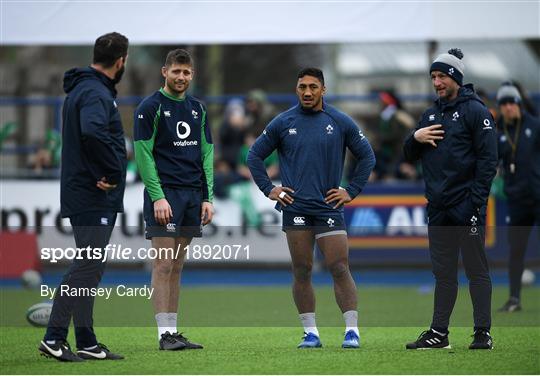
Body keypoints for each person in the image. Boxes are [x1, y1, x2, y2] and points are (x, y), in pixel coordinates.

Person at [247, 68, 375, 349]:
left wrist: (351, 191)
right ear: (297, 89)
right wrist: (270, 189)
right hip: (296, 209)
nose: (307, 92)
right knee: (302, 270)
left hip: (329, 208)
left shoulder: (339, 120)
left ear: (323, 90)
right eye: (302, 87)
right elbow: (254, 155)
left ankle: (351, 331)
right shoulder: (283, 122)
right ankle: (311, 333)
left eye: (313, 87)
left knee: (339, 267)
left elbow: (367, 156)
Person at [39, 32, 129, 362]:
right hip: (92, 194)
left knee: (91, 266)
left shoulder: (86, 88)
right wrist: (112, 173)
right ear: (121, 61)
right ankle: (54, 336)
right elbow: (92, 132)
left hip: (86, 192)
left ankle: (87, 341)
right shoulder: (94, 92)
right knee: (87, 265)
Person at [403, 48, 498, 350]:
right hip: (439, 208)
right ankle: (439, 333)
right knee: (443, 274)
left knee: (476, 270)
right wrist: (413, 138)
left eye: (442, 76)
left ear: (456, 77)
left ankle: (482, 332)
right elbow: (409, 154)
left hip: (465, 207)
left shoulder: (476, 111)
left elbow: (488, 161)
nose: (437, 82)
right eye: (433, 76)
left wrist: (475, 203)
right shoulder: (430, 114)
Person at [134, 49, 213, 351]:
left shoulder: (198, 109)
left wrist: (207, 197)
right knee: (163, 265)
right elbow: (143, 155)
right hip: (165, 197)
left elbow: (207, 154)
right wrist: (157, 197)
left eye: (186, 72)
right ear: (164, 72)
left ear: (192, 75)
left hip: (193, 195)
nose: (181, 77)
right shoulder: (149, 107)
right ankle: (162, 335)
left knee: (177, 266)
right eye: (176, 71)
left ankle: (173, 331)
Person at [495, 83, 540, 312]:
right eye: (504, 104)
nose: (508, 107)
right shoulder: (498, 132)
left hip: (538, 195)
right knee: (516, 250)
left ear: (519, 104)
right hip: (517, 199)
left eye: (512, 102)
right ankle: (514, 298)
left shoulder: (534, 125)